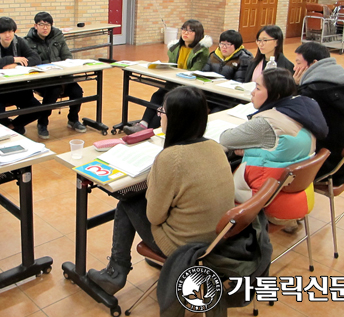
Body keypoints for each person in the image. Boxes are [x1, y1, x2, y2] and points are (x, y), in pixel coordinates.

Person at [87, 86, 234, 295]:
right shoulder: (215, 147)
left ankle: (116, 271)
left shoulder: (170, 158)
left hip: (183, 247)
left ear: (175, 119)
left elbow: (154, 217)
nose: (158, 115)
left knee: (127, 203)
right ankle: (116, 270)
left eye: (162, 112)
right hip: (218, 240)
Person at [220, 68, 328, 230]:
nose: (252, 92)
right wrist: (252, 149)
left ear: (274, 95)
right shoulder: (304, 108)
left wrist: (247, 147)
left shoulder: (267, 123)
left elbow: (225, 139)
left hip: (262, 201)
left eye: (258, 88)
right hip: (294, 194)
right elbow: (281, 148)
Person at [123, 20, 212, 134]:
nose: (185, 33)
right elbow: (172, 66)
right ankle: (143, 124)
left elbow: (193, 72)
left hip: (187, 87)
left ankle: (150, 130)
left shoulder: (202, 51)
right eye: (184, 29)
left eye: (190, 31)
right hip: (173, 82)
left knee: (165, 103)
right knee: (157, 95)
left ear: (198, 33)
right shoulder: (176, 47)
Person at [294, 42, 344, 185]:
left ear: (314, 64)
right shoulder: (341, 83)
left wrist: (295, 87)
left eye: (298, 63)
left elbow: (290, 117)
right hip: (342, 164)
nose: (294, 68)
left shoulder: (312, 91)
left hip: (324, 165)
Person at [24, 12, 86, 139]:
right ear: (35, 26)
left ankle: (73, 119)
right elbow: (32, 62)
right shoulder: (28, 41)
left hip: (63, 77)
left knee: (77, 92)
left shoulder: (58, 36)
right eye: (41, 24)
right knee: (53, 91)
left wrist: (64, 66)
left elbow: (67, 56)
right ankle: (42, 122)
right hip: (43, 80)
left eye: (48, 25)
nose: (45, 28)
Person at [0, 16, 42, 135]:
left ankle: (13, 126)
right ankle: (7, 128)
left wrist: (15, 65)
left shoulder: (19, 41)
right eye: (4, 32)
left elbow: (36, 58)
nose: (8, 35)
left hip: (18, 88)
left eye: (10, 31)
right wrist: (13, 59)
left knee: (37, 109)